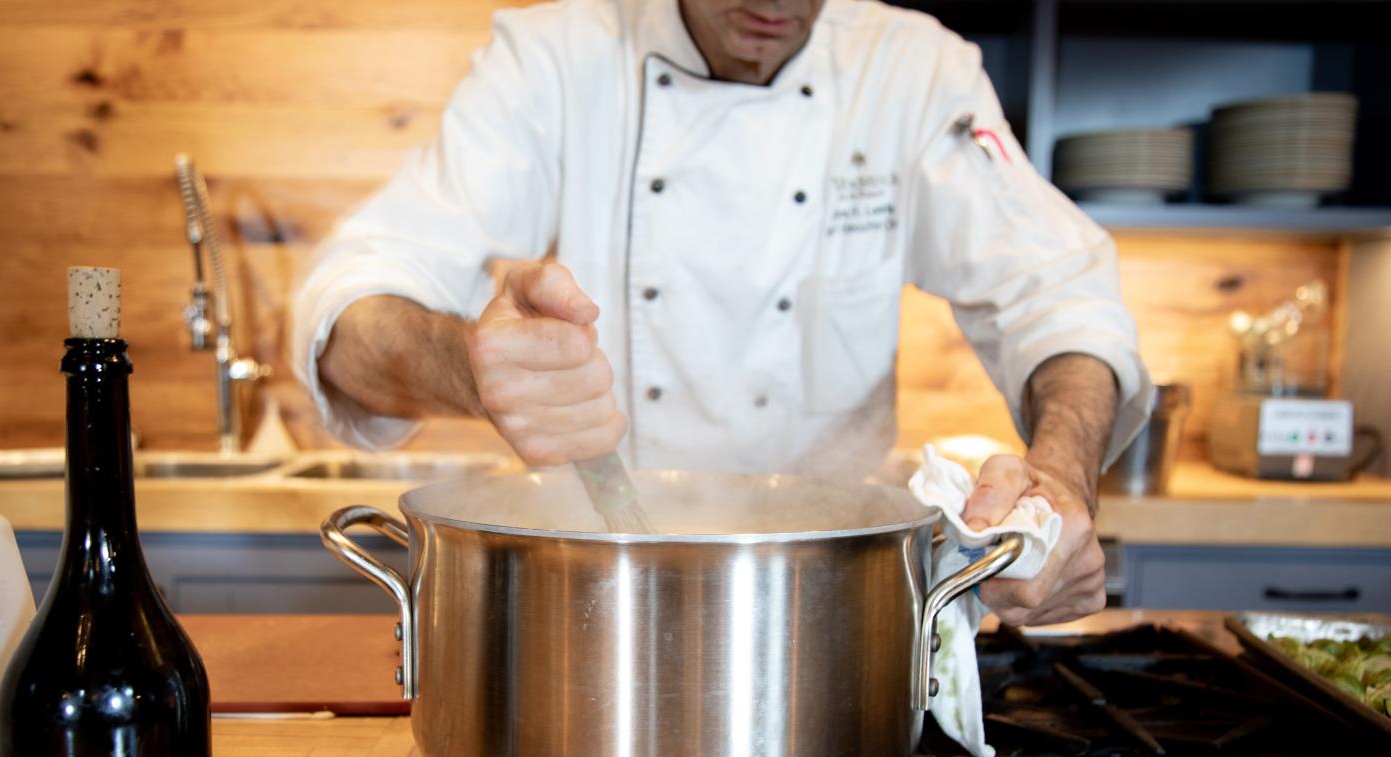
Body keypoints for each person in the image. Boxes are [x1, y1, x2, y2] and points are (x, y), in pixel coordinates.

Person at [293, 0, 1153, 626]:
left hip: (841, 608)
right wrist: (467, 365)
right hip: (596, 599)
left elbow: (1059, 294)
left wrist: (1061, 476)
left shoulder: (913, 70)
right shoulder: (556, 56)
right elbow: (352, 300)